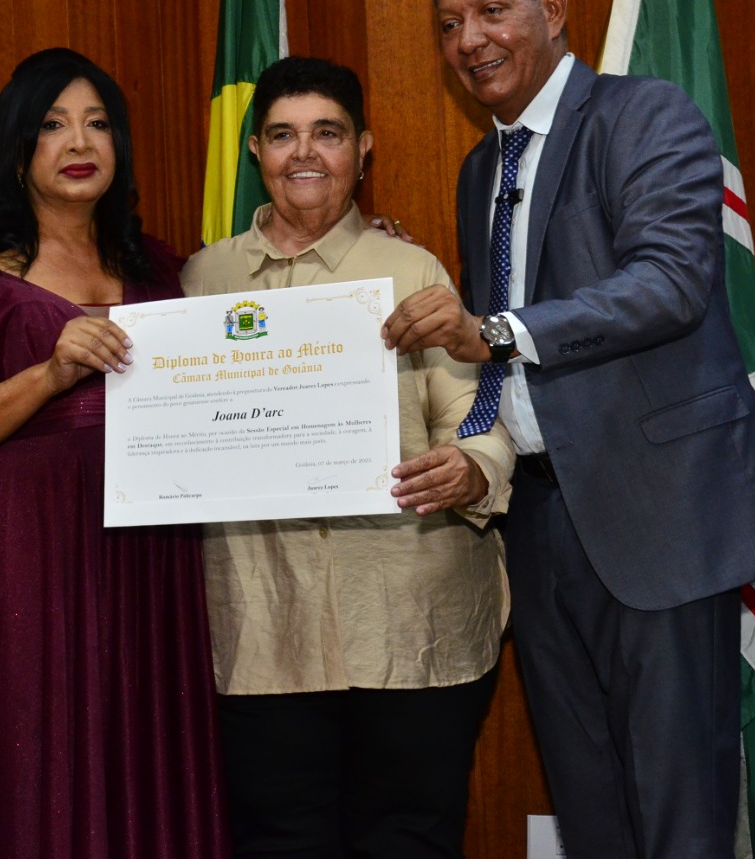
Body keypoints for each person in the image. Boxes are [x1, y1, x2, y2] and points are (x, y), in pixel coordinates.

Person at [380, 0, 755, 858]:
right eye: (449, 24)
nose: (469, 40)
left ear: (554, 9)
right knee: (591, 811)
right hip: (539, 523)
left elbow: (670, 281)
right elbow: (496, 347)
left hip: (658, 515)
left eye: (492, 11)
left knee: (679, 814)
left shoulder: (644, 115)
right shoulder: (480, 169)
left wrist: (495, 330)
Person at [0, 48, 230, 859]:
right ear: (17, 146)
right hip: (22, 563)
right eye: (53, 124)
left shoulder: (161, 268)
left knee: (134, 763)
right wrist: (49, 373)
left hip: (148, 564)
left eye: (98, 123)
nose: (79, 142)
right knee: (32, 768)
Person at [181, 56, 514, 858]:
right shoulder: (200, 282)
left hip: (410, 623)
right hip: (265, 632)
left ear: (363, 148)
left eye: (327, 133)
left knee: (408, 840)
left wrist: (471, 467)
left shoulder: (410, 269)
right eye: (283, 134)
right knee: (278, 843)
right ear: (255, 150)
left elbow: (478, 417)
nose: (305, 153)